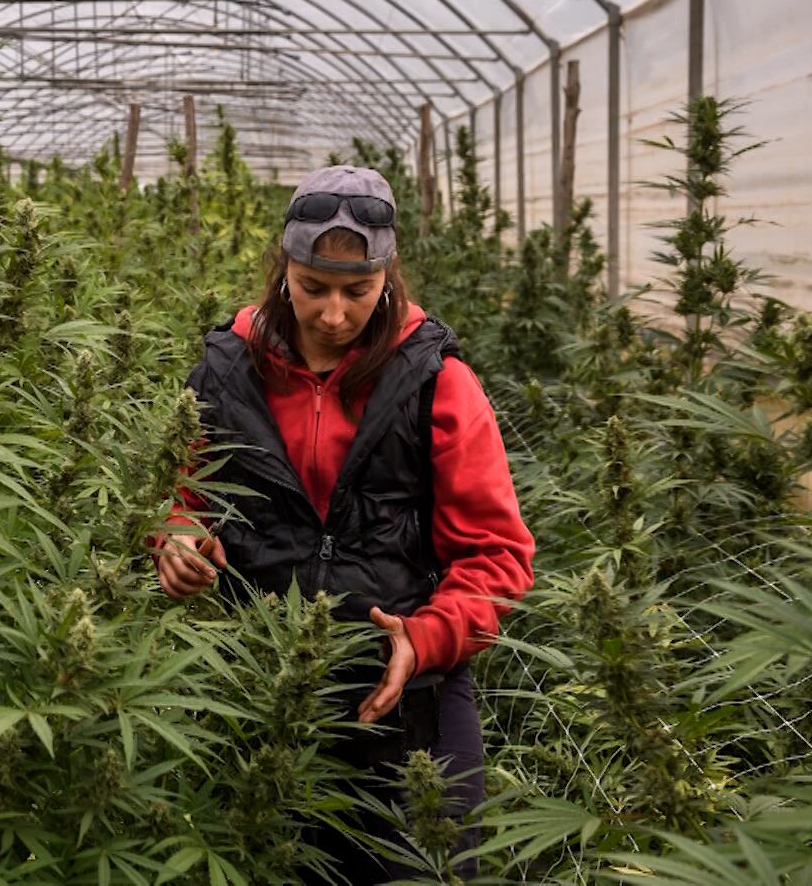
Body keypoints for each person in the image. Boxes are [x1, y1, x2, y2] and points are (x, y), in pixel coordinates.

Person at [150, 164, 535, 884]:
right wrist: (173, 537)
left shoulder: (437, 379)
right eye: (312, 288)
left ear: (388, 278)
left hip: (407, 701)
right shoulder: (227, 370)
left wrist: (426, 638)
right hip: (262, 689)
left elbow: (497, 556)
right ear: (282, 271)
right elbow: (181, 494)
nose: (332, 314)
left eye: (357, 292)